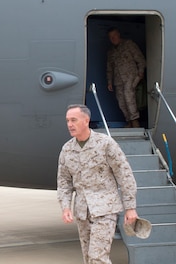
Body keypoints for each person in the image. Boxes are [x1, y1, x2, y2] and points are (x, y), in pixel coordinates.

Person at [57, 104, 138, 264]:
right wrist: (65, 206)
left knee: (97, 258)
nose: (70, 124)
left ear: (86, 120)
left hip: (105, 209)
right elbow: (64, 182)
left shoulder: (105, 144)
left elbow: (124, 174)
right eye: (67, 120)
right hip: (82, 212)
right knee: (89, 259)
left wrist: (130, 207)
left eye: (74, 120)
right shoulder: (67, 149)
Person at [106, 27, 146, 128]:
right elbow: (109, 68)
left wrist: (141, 72)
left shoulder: (129, 44)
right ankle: (129, 121)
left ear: (118, 35)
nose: (113, 38)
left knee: (129, 98)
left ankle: (135, 120)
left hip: (131, 77)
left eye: (114, 36)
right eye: (111, 37)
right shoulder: (111, 51)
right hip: (118, 80)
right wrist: (109, 81)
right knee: (121, 102)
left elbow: (140, 59)